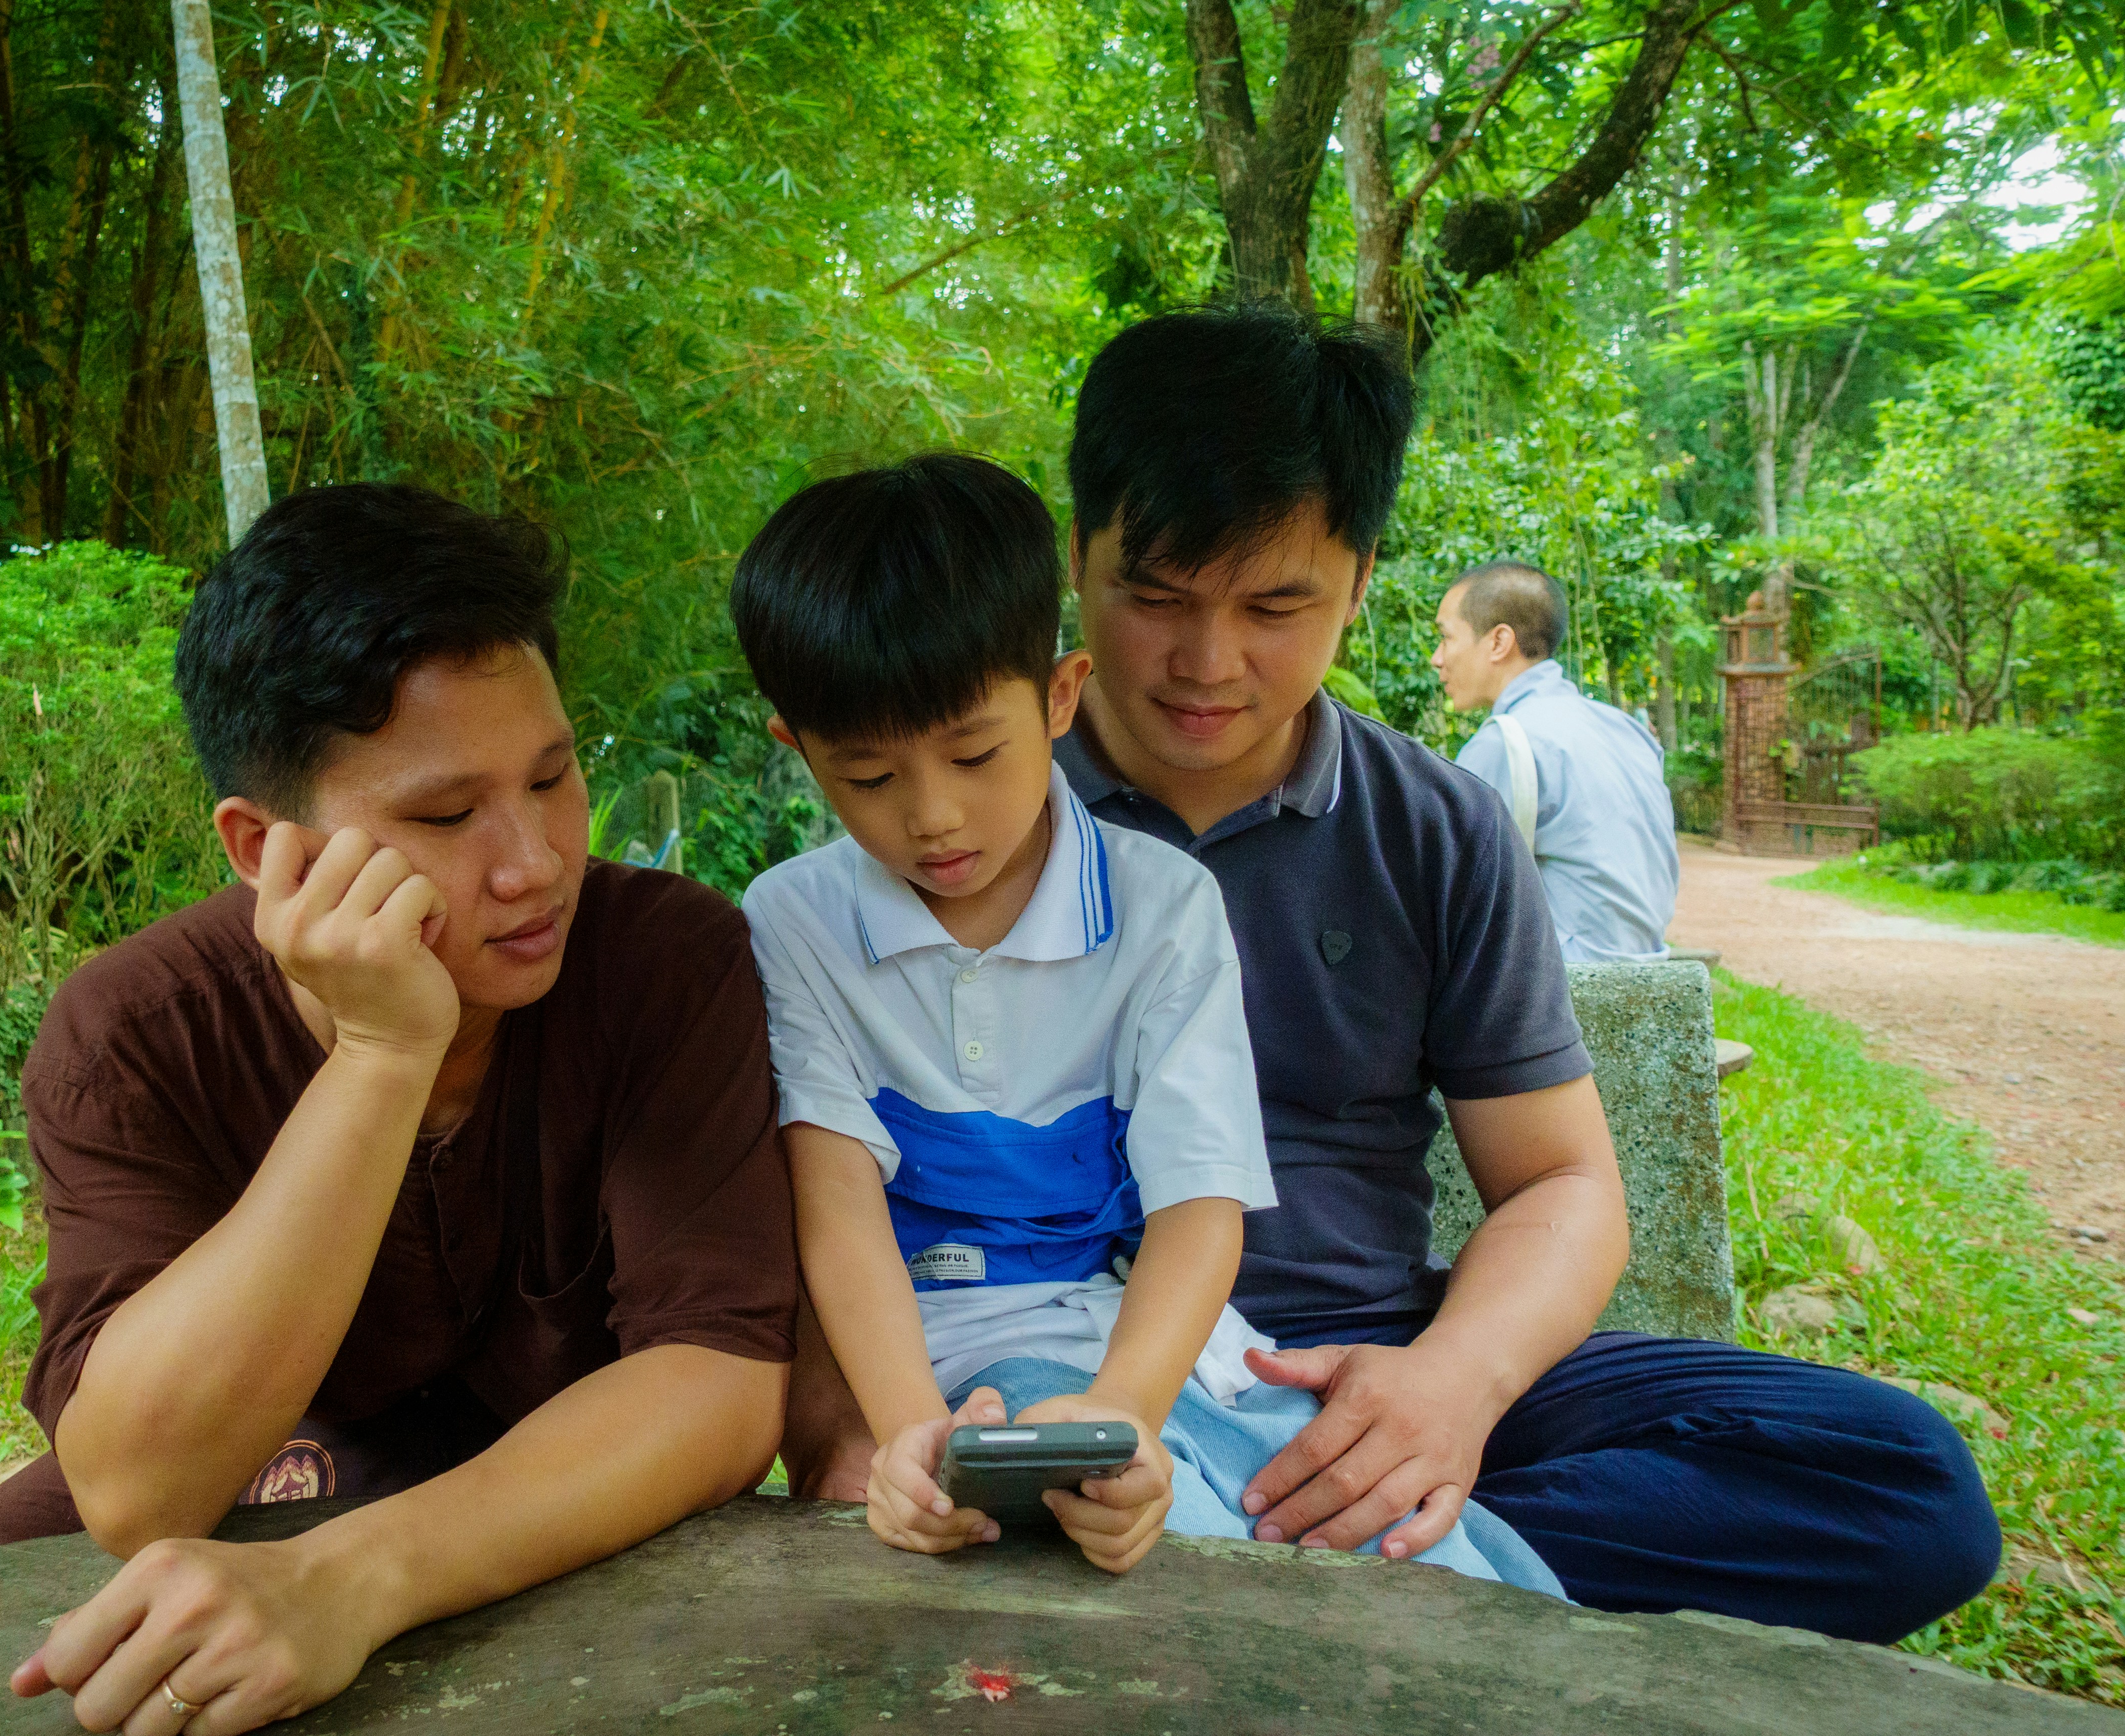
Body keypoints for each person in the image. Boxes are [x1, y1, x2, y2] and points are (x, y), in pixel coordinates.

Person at [783, 305, 2001, 1646]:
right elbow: (828, 1204)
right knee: (1039, 1473)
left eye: (1274, 606)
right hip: (1055, 1375)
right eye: (1155, 597)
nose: (1206, 661)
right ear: (1076, 567)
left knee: (1900, 1485)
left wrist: (1447, 1391)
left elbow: (1561, 1183)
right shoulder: (938, 808)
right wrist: (861, 1427)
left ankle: (1321, 1554)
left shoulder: (1431, 827)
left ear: (1360, 581)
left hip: (1366, 1349)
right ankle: (1348, 1577)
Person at [0, 483, 799, 1736]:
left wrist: (347, 1577)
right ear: (267, 848)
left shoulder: (663, 964)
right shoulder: (136, 1030)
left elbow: (717, 1380)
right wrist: (381, 1052)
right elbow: (139, 1484)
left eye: (551, 774)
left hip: (545, 1490)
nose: (532, 859)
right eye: (443, 814)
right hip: (252, 1475)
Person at [730, 452, 1550, 1589]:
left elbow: (1197, 1201)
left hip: (1169, 1364)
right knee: (1117, 1521)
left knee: (1460, 1563)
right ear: (798, 748)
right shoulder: (792, 920)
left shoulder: (1162, 906)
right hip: (962, 1373)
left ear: (1057, 696)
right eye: (866, 776)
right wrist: (914, 1435)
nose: (931, 817)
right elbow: (836, 1207)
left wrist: (1123, 1407)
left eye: (974, 754)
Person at [1430, 561, 1679, 962]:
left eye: (1446, 638)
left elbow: (1447, 897)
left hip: (1563, 994)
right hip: (1651, 976)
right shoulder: (1622, 729)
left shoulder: (1508, 742)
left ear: (1498, 642)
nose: (1437, 658)